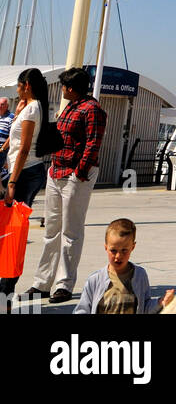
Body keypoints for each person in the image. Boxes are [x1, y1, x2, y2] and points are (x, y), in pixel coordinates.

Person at [28, 67, 106, 304]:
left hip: (75, 174)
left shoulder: (92, 110)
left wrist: (79, 173)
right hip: (57, 171)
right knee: (52, 229)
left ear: (71, 88)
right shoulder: (71, 107)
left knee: (71, 232)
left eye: (63, 86)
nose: (61, 90)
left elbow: (93, 143)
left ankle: (63, 284)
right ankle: (42, 283)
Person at [1, 69, 52, 302]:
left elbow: (24, 147)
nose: (17, 90)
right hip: (22, 171)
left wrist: (12, 182)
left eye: (19, 86)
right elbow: (16, 141)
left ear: (27, 85)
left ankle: (5, 294)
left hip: (25, 173)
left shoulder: (33, 108)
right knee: (9, 232)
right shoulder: (29, 108)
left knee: (13, 233)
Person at [74, 218, 175, 314]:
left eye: (124, 250)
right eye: (113, 251)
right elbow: (82, 309)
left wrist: (160, 302)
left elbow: (145, 307)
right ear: (106, 247)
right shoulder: (95, 280)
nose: (118, 256)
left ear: (132, 247)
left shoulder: (140, 275)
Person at [0, 98, 13, 180]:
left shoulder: (11, 117)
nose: (0, 106)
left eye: (2, 104)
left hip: (2, 151)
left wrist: (2, 148)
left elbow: (12, 136)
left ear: (7, 106)